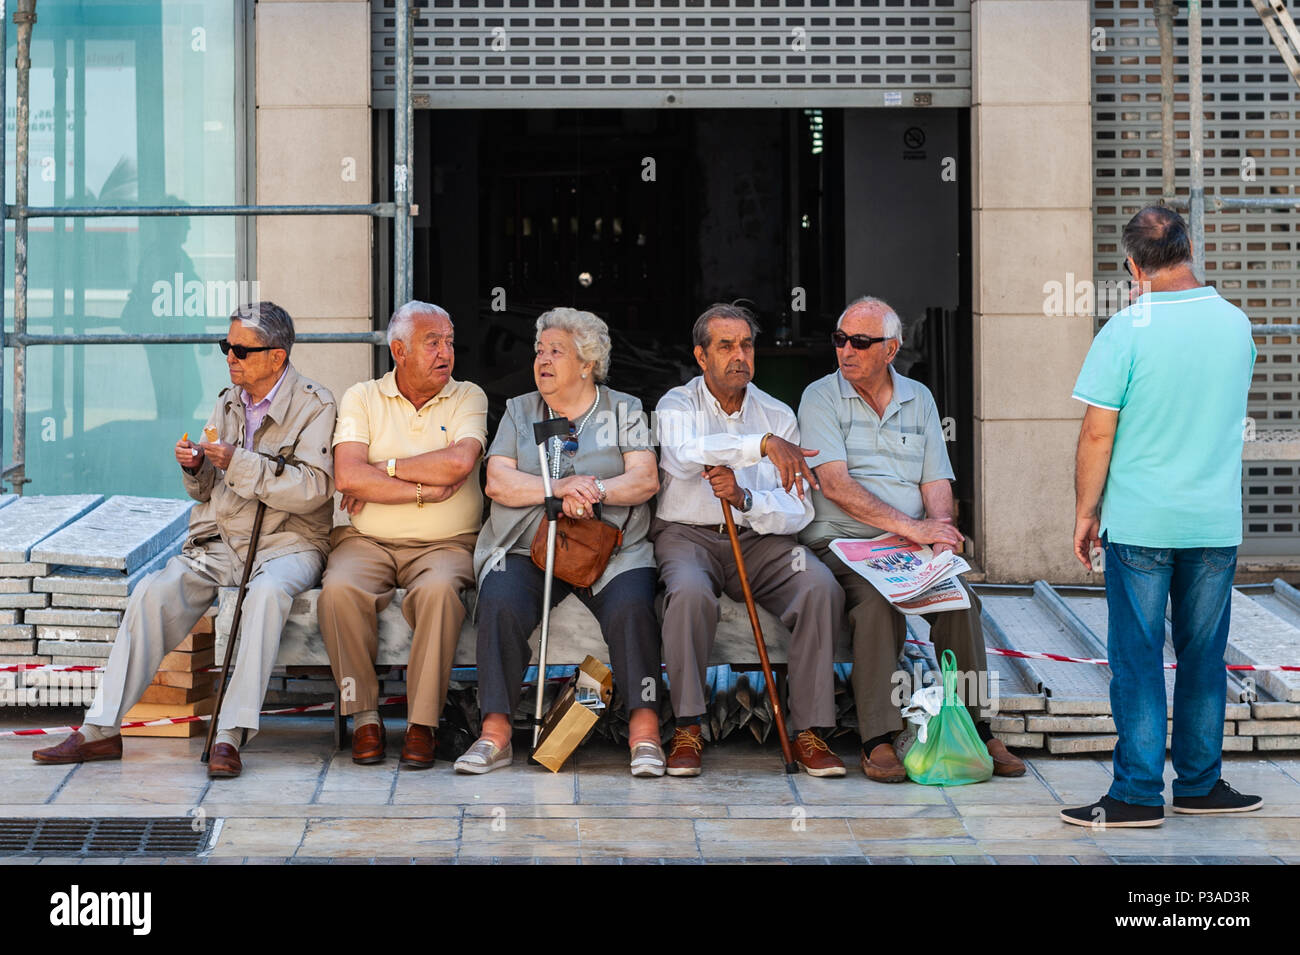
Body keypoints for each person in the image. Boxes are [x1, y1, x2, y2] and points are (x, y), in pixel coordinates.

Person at [32, 302, 335, 779]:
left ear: (276, 357)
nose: (229, 356)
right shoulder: (228, 399)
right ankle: (100, 728)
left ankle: (229, 734)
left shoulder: (317, 404)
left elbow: (314, 488)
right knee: (153, 592)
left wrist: (236, 461)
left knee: (267, 594)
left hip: (288, 542)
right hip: (221, 539)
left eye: (241, 349)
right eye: (225, 346)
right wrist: (194, 468)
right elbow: (210, 489)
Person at [1062, 207, 1261, 827]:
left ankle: (1137, 795)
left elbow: (1098, 434)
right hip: (1212, 524)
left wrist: (1085, 512)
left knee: (1139, 659)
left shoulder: (1126, 328)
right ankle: (1200, 784)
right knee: (1204, 658)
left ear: (1131, 265)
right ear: (1190, 247)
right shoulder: (1236, 324)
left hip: (1142, 524)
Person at [798, 296, 1025, 782]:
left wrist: (940, 537)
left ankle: (976, 727)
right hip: (843, 544)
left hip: (906, 548)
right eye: (840, 340)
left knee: (961, 601)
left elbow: (935, 482)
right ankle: (877, 737)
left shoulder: (918, 398)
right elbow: (835, 485)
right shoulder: (820, 396)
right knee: (875, 607)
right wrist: (916, 528)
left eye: (860, 342)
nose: (846, 351)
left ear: (891, 349)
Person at [457, 307, 665, 777]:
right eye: (539, 350)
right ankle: (495, 733)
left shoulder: (624, 409)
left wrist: (594, 490)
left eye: (556, 351)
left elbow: (645, 478)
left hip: (610, 549)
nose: (542, 359)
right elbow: (497, 481)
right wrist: (557, 489)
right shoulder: (520, 408)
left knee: (633, 607)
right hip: (529, 545)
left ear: (588, 363)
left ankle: (645, 732)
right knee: (500, 600)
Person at [652, 303, 845, 777]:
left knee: (819, 587)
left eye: (746, 345)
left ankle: (809, 729)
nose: (740, 355)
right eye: (726, 346)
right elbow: (683, 456)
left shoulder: (778, 414)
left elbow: (798, 508)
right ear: (701, 356)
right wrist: (759, 446)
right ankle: (689, 726)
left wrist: (744, 498)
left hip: (758, 539)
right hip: (687, 536)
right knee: (691, 594)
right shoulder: (676, 404)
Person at [318, 302, 487, 768]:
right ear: (399, 350)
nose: (445, 352)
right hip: (366, 540)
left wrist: (382, 469)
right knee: (338, 591)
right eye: (432, 342)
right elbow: (347, 477)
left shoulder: (468, 396)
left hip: (447, 543)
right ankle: (365, 716)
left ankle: (422, 724)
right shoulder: (362, 397)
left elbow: (458, 463)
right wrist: (420, 491)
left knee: (437, 593)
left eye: (449, 342)